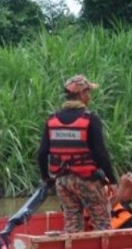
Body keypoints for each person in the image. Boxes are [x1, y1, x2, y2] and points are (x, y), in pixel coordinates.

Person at [36, 74, 119, 233]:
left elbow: (41, 153)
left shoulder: (52, 120)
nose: (89, 97)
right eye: (88, 92)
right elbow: (101, 153)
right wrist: (112, 180)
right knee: (102, 223)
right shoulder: (90, 119)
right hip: (86, 180)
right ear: (81, 94)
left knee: (72, 224)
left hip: (62, 181)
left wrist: (46, 178)